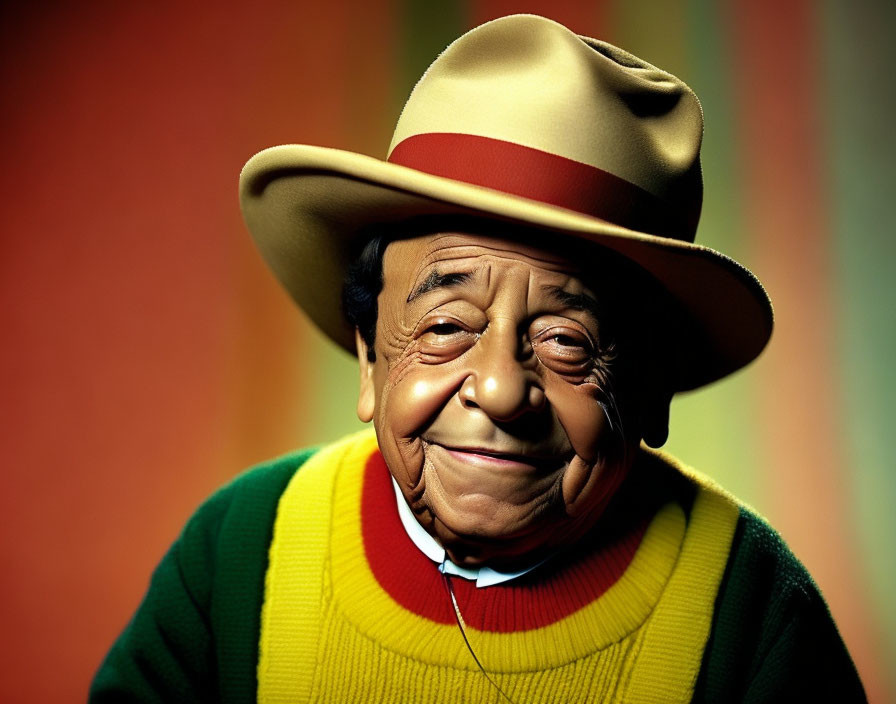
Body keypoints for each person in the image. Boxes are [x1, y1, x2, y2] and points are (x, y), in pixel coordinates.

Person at [90, 14, 865, 703]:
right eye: (446, 325)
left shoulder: (750, 610)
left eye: (567, 341)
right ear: (368, 358)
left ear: (652, 387)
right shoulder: (242, 554)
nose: (499, 390)